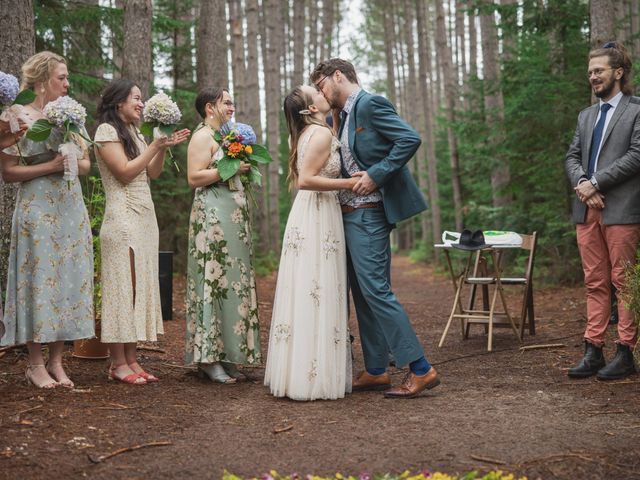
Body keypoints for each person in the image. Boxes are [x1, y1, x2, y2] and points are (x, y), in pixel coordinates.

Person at [310, 58, 440, 398]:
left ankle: (421, 369)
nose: (322, 92)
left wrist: (376, 174)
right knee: (362, 295)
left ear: (338, 76)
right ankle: (377, 368)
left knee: (377, 292)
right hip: (348, 216)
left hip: (369, 214)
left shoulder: (371, 104)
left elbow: (409, 139)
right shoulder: (340, 117)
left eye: (323, 84)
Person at [0, 51, 94, 389]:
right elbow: (9, 173)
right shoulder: (15, 115)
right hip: (37, 207)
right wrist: (51, 166)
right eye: (62, 77)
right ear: (42, 81)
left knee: (67, 280)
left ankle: (57, 362)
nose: (68, 84)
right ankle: (35, 363)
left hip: (70, 207)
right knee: (39, 280)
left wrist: (70, 156)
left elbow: (85, 165)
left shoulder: (71, 116)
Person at [264, 86, 360, 400]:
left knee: (312, 288)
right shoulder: (318, 135)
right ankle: (312, 374)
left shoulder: (313, 131)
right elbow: (306, 179)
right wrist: (350, 182)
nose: (321, 93)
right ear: (310, 108)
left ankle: (305, 370)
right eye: (314, 93)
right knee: (317, 286)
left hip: (316, 212)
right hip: (318, 213)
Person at [94, 79, 189, 385]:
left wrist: (160, 145)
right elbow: (123, 172)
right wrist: (154, 147)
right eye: (135, 98)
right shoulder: (105, 132)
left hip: (145, 219)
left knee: (138, 290)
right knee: (123, 288)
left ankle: (133, 359)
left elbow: (153, 172)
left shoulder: (135, 132)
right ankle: (117, 362)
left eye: (141, 98)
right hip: (122, 219)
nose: (141, 103)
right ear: (118, 102)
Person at [565, 41, 640, 381]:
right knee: (594, 281)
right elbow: (571, 156)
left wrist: (596, 182)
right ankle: (593, 349)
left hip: (622, 210)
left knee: (623, 281)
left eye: (599, 71)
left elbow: (637, 155)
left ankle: (625, 351)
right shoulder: (585, 115)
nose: (593, 77)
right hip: (587, 210)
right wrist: (583, 182)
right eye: (590, 72)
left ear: (618, 72)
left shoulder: (636, 110)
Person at [185, 87, 261, 383]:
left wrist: (242, 169)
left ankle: (230, 354)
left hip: (233, 216)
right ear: (209, 107)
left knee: (232, 281)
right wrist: (229, 170)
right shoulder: (202, 136)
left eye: (232, 102)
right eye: (226, 102)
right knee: (212, 280)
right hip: (212, 217)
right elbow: (194, 177)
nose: (232, 107)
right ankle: (208, 358)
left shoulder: (225, 137)